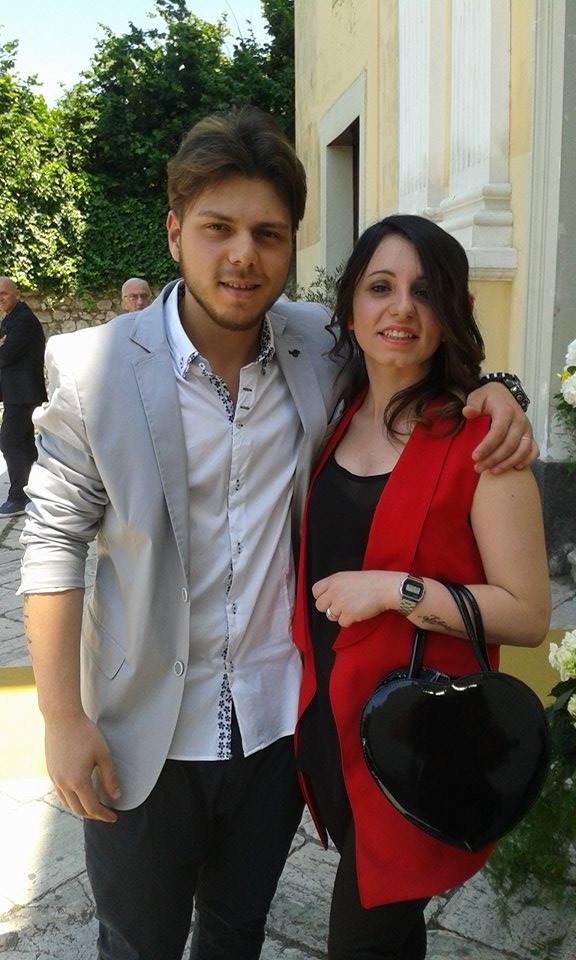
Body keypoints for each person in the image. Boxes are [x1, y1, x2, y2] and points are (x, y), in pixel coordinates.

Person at [20, 109, 536, 960]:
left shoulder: (315, 349)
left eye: (267, 234)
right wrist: (62, 716)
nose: (243, 255)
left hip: (274, 729)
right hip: (142, 729)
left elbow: (411, 353)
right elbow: (51, 544)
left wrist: (501, 391)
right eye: (218, 228)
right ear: (175, 231)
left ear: (292, 245)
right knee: (137, 943)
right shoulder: (93, 368)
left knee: (237, 932)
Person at [293, 215, 551, 960]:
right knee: (393, 934)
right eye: (381, 287)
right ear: (350, 309)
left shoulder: (483, 443)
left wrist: (395, 590)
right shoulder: (335, 413)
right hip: (326, 726)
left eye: (425, 291)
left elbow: (528, 614)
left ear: (451, 313)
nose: (401, 307)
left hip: (414, 737)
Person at [0, 277, 47, 517]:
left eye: (4, 293)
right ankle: (36, 491)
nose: (0, 298)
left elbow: (4, 357)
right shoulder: (11, 319)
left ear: (17, 294)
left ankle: (19, 497)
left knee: (10, 441)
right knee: (25, 444)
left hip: (23, 394)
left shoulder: (23, 320)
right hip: (18, 394)